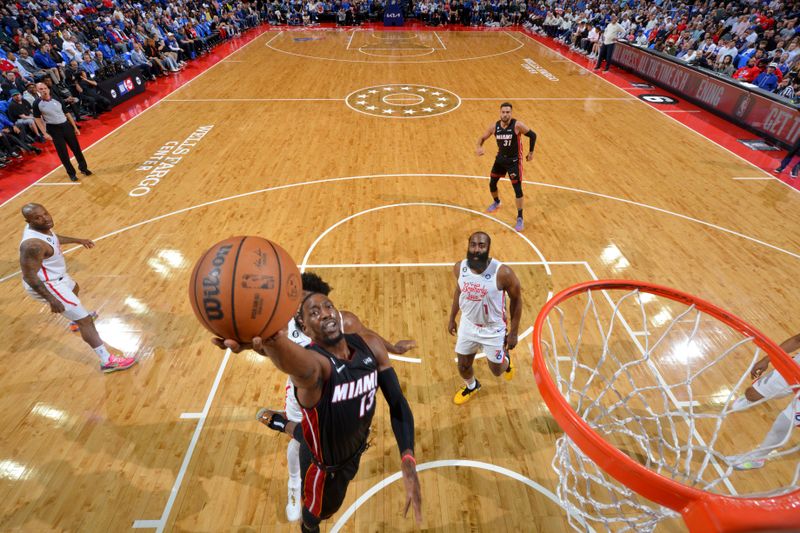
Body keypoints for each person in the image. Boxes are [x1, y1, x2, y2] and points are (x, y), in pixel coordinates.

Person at [214, 291, 422, 532]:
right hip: (327, 471)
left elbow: (398, 404)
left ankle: (280, 422)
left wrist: (407, 459)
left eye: (328, 306)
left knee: (307, 432)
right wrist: (267, 344)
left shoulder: (370, 346)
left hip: (356, 445)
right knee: (314, 516)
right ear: (305, 327)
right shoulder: (315, 367)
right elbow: (295, 362)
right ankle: (284, 434)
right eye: (314, 312)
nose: (324, 313)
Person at [256, 272, 417, 522]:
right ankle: (294, 482)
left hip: (345, 409)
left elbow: (368, 336)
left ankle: (280, 423)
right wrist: (258, 343)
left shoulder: (350, 327)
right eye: (306, 309)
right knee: (306, 441)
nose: (315, 311)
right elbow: (280, 353)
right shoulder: (289, 331)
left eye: (323, 304)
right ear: (303, 323)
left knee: (331, 434)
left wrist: (393, 348)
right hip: (307, 386)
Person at [19, 204, 136, 373]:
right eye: (38, 217)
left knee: (74, 287)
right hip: (47, 284)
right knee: (86, 321)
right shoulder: (32, 246)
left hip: (58, 278)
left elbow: (53, 238)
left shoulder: (42, 230)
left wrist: (77, 240)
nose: (44, 218)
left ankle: (75, 320)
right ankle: (107, 361)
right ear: (28, 221)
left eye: (45, 213)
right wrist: (52, 299)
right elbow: (29, 276)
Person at [447, 231, 522, 404]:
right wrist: (452, 317)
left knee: (497, 371)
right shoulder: (460, 268)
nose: (476, 249)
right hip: (468, 324)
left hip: (493, 328)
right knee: (463, 365)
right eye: (473, 244)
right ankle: (472, 386)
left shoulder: (502, 273)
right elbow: (459, 291)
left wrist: (513, 333)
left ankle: (506, 359)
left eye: (481, 245)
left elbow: (517, 300)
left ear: (488, 249)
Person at [729, 332, 800, 470]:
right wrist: (767, 359)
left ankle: (758, 458)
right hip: (796, 368)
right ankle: (749, 400)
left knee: (784, 422)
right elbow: (797, 340)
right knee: (752, 394)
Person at [476, 102, 537, 232]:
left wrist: (531, 152)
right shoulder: (495, 127)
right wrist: (479, 147)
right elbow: (482, 138)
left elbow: (533, 135)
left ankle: (520, 217)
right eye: (503, 112)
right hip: (500, 159)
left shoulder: (517, 125)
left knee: (517, 189)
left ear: (511, 113)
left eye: (508, 112)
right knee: (492, 184)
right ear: (500, 113)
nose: (505, 114)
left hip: (514, 162)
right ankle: (497, 202)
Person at [32, 82, 91, 182]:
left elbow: (67, 113)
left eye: (45, 88)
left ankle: (83, 168)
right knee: (63, 153)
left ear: (48, 89)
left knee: (76, 149)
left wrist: (75, 127)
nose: (44, 90)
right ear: (37, 91)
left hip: (66, 126)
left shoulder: (57, 99)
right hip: (54, 129)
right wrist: (45, 133)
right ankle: (71, 173)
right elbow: (37, 119)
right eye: (41, 89)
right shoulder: (37, 103)